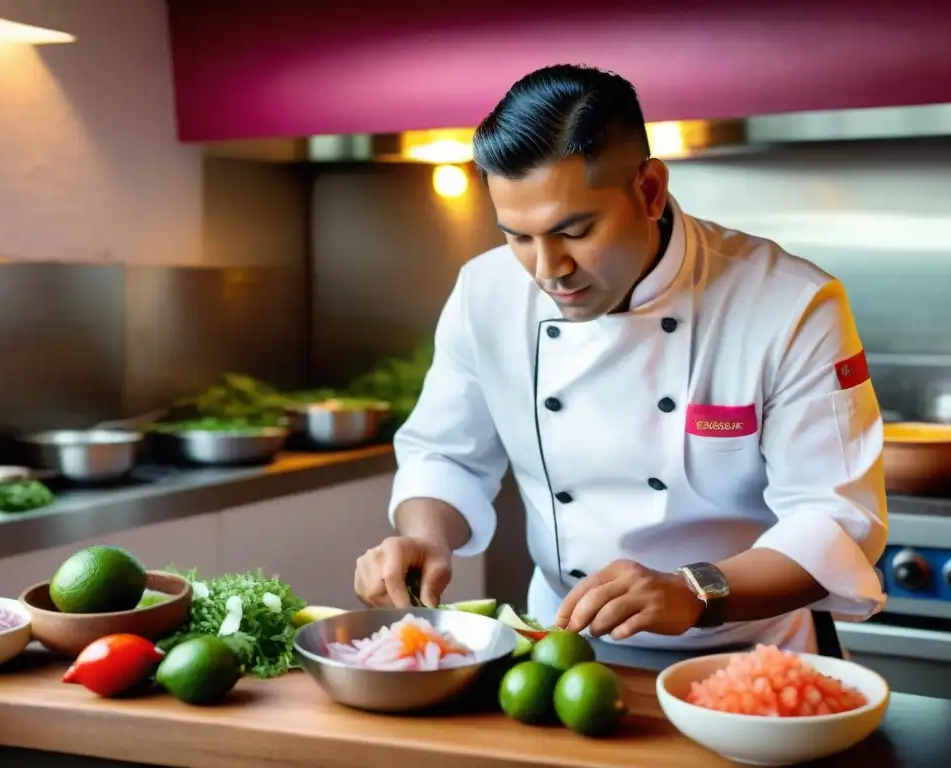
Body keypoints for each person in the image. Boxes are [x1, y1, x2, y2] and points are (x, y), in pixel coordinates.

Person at [353, 63, 888, 655]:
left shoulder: (789, 303)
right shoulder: (485, 291)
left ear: (650, 190)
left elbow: (837, 522)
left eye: (575, 231)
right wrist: (427, 539)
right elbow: (444, 452)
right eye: (518, 236)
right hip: (558, 651)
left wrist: (694, 590)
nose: (547, 270)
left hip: (750, 653)